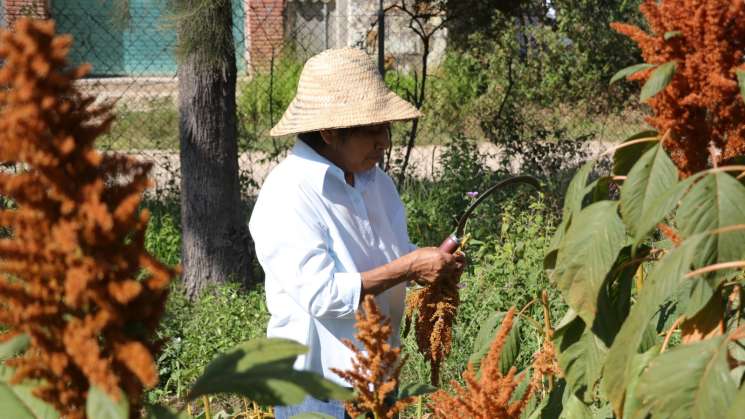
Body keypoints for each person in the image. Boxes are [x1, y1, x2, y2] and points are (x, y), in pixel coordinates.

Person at [248, 48, 466, 418]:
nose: (384, 141)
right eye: (372, 130)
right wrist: (410, 266)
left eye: (386, 128)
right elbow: (323, 295)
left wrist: (431, 262)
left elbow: (389, 254)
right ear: (330, 131)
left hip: (378, 374)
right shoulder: (288, 193)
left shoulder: (376, 183)